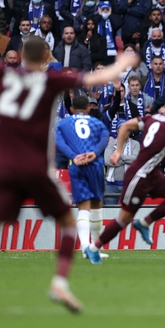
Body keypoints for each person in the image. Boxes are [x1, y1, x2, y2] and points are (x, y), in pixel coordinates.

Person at [0, 14, 139, 314]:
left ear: (22, 57)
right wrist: (123, 62)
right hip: (35, 168)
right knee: (68, 224)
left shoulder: (3, 73)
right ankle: (60, 283)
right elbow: (95, 79)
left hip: (5, 166)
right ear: (46, 59)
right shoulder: (51, 78)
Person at [84, 91, 165, 263]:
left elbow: (124, 127)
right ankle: (93, 248)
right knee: (125, 218)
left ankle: (144, 223)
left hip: (153, 173)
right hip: (139, 175)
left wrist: (118, 151)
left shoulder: (150, 118)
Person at [55, 95, 109, 253]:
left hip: (77, 165)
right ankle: (96, 248)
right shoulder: (96, 122)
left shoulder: (63, 123)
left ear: (71, 109)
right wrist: (95, 152)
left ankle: (85, 246)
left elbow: (59, 142)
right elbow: (105, 137)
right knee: (97, 205)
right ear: (88, 109)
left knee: (83, 207)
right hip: (95, 164)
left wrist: (74, 156)